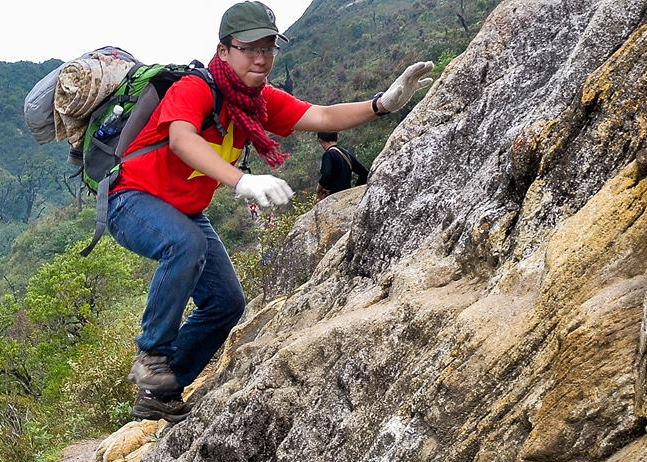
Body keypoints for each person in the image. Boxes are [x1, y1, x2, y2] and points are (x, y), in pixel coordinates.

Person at [105, 0, 433, 421]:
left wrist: (382, 104)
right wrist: (241, 181)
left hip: (183, 209)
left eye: (268, 48)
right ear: (224, 50)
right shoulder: (195, 89)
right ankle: (152, 357)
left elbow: (321, 114)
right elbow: (181, 140)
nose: (261, 58)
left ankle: (162, 390)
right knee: (184, 245)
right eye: (249, 49)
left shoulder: (254, 102)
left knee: (226, 302)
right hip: (130, 198)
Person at [316, 129, 369, 199]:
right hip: (347, 195)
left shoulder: (328, 154)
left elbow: (326, 174)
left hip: (334, 196)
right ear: (337, 138)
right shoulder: (346, 153)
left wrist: (319, 187)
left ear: (320, 140)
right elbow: (364, 173)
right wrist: (355, 190)